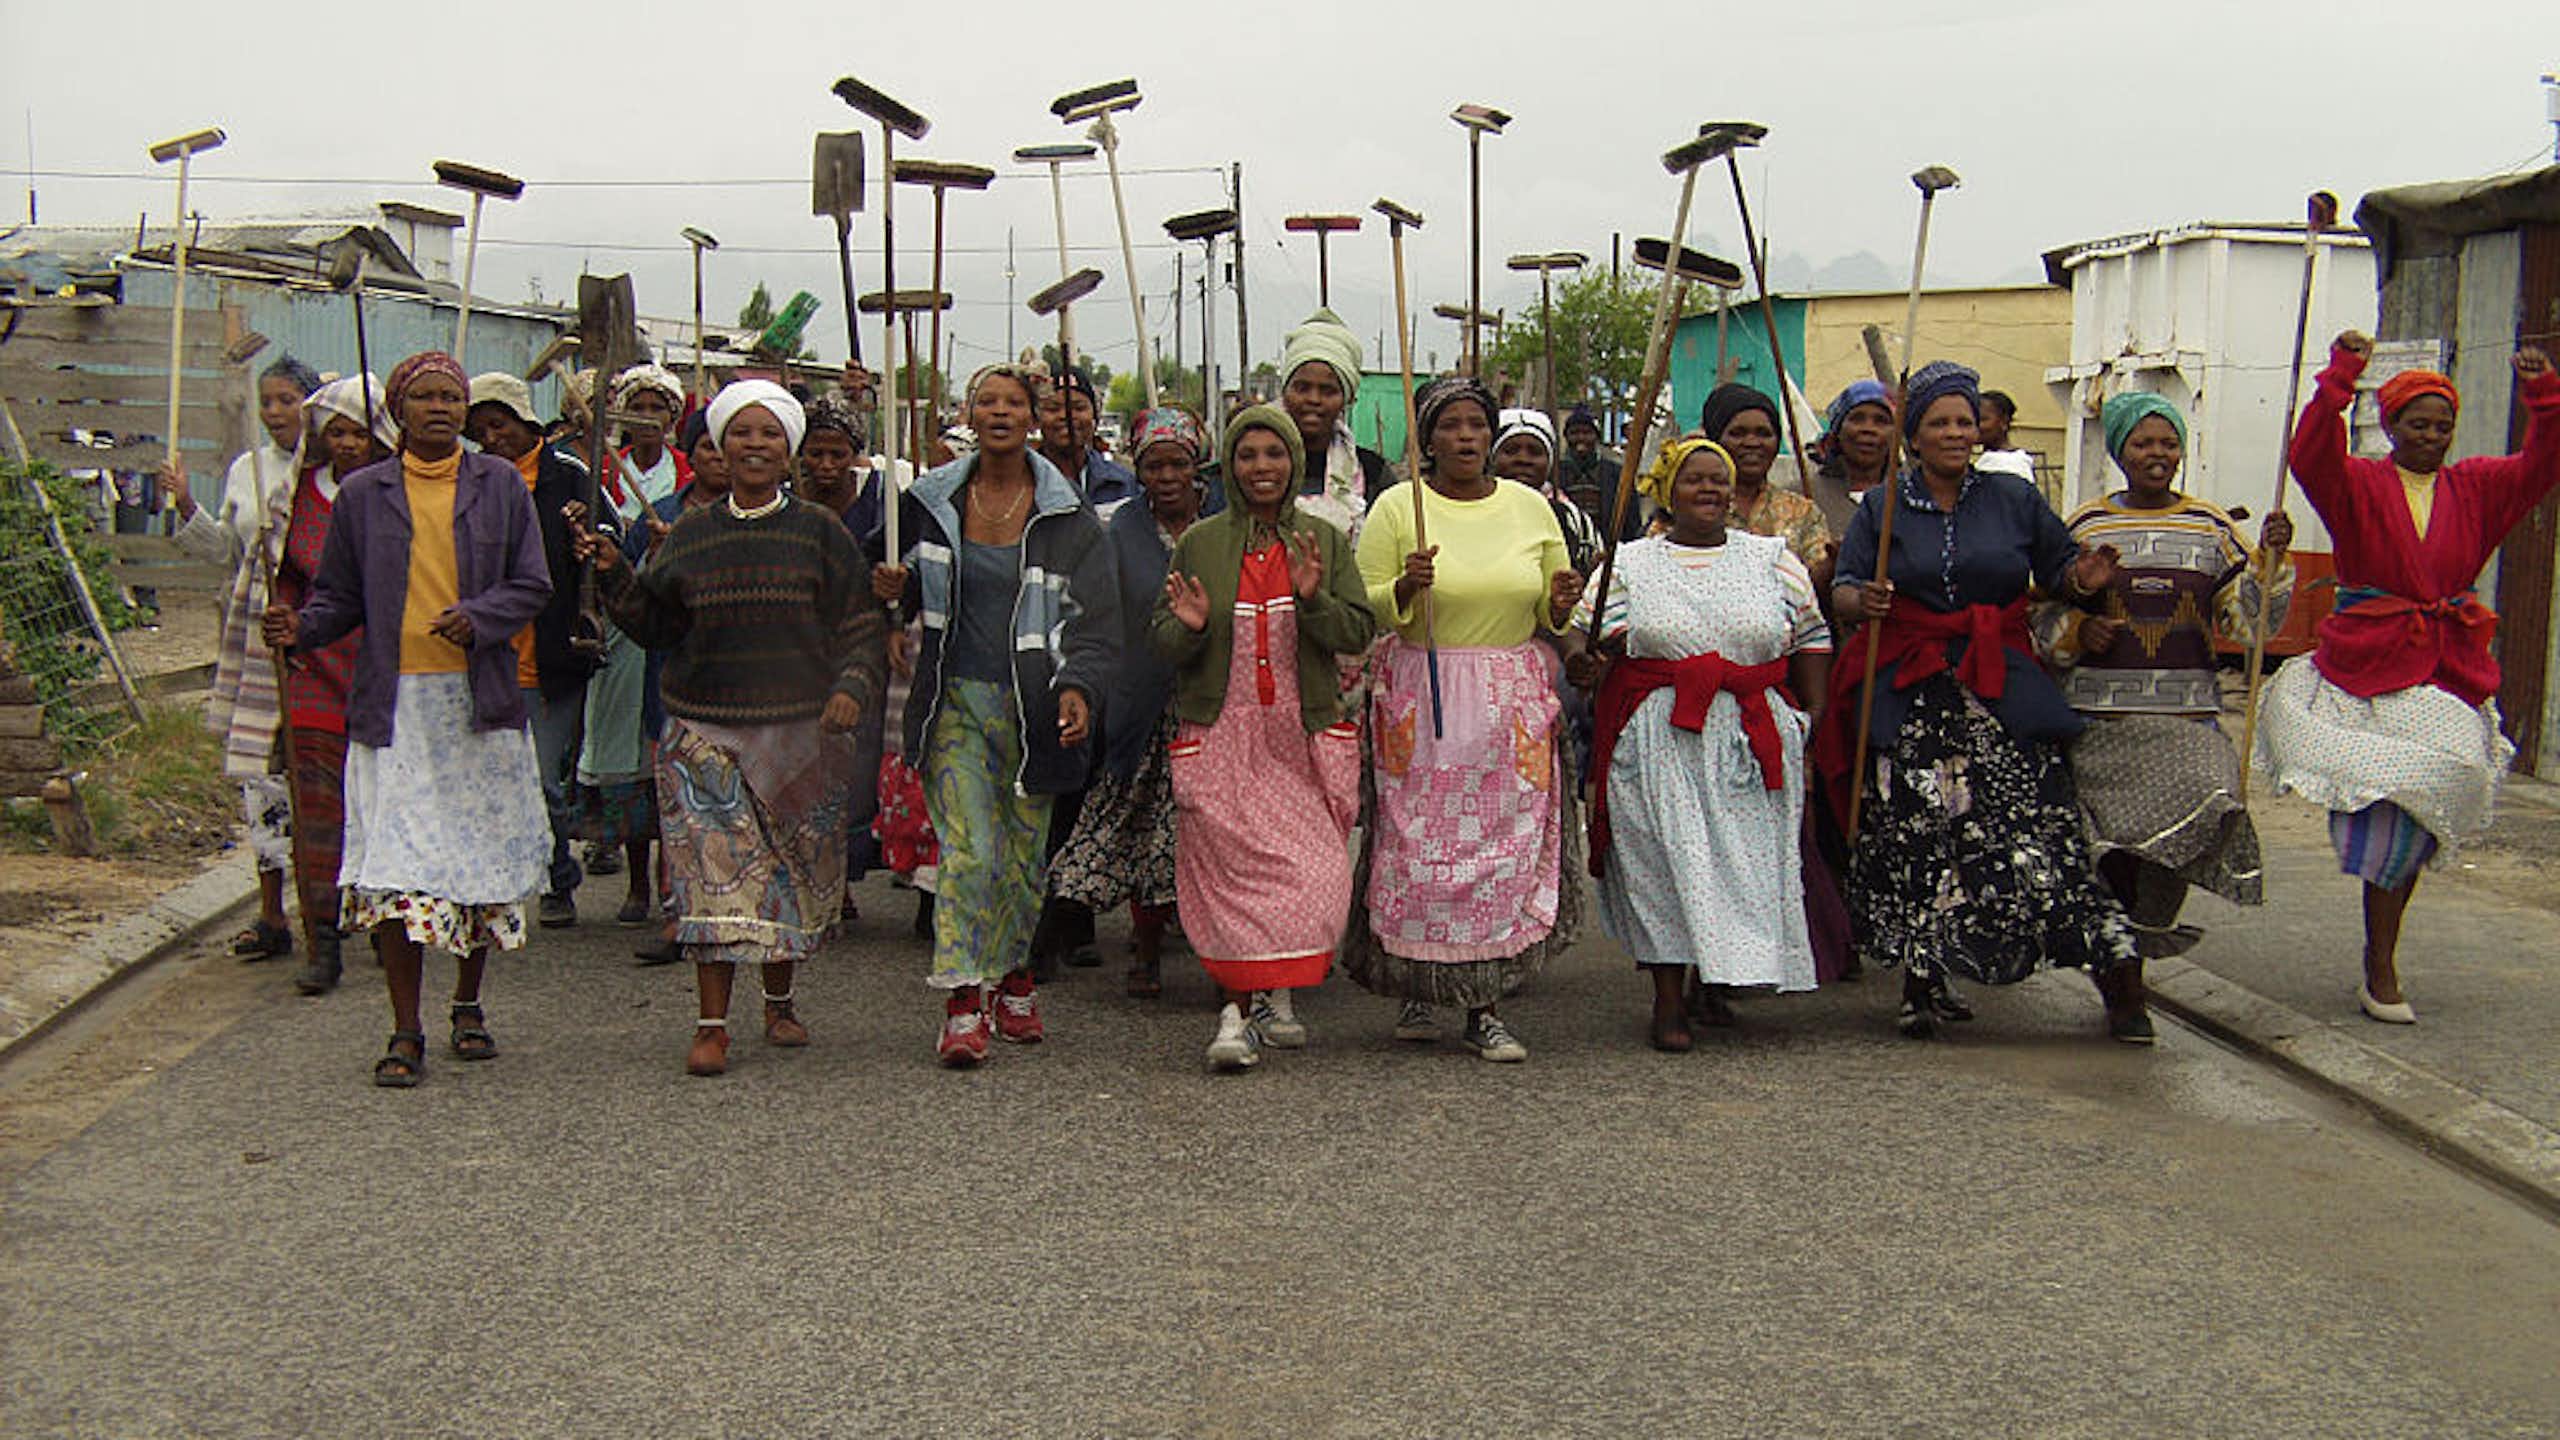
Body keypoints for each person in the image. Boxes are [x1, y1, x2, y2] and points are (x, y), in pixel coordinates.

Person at [1814, 360, 2139, 1040]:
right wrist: (1860, 599)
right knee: (1919, 831)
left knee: (2041, 828)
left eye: (1965, 420)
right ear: (1915, 434)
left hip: (2002, 685)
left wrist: (2085, 577)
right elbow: (1844, 585)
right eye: (1940, 423)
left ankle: (2118, 978)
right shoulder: (1884, 506)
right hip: (1914, 686)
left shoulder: (2014, 500)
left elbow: (2061, 570)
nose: (1957, 433)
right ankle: (1922, 979)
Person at [575, 379, 882, 1075]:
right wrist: (616, 573)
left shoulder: (821, 533)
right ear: (716, 444)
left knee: (790, 877)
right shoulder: (690, 535)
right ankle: (711, 1025)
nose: (753, 445)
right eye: (738, 433)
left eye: (769, 433)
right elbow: (657, 623)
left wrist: (851, 688)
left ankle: (780, 1004)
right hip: (704, 731)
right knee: (711, 881)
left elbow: (860, 624)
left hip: (798, 733)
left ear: (789, 449)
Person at [264, 352, 553, 1087]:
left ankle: (468, 1005)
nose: (440, 409)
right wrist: (299, 627)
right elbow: (338, 598)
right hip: (393, 711)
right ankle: (405, 1028)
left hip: (477, 706)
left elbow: (532, 584)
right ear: (398, 408)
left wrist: (481, 617)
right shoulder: (364, 495)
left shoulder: (499, 487)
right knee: (397, 870)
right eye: (423, 397)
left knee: (475, 866)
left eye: (450, 397)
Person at [2255, 332, 2560, 1023]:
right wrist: (2341, 377)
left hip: (2446, 665)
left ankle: (2381, 942)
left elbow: (2545, 461)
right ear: (2389, 427)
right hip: (2367, 662)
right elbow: (2311, 454)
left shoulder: (2478, 486)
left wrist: (2543, 396)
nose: (2430, 436)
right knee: (2387, 814)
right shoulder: (2359, 482)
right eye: (2416, 424)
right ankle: (2381, 960)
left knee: (2423, 810)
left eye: (2442, 425)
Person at [879, 363, 1119, 1068]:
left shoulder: (1067, 516)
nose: (1001, 412)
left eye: (1015, 402)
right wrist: (889, 597)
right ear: (969, 413)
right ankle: (962, 1000)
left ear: (1034, 418)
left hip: (1033, 707)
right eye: (987, 400)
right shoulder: (926, 501)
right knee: (970, 854)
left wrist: (1078, 687)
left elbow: (1097, 621)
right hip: (952, 702)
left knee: (1020, 860)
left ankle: (1013, 976)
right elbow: (889, 579)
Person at [1567, 437, 1833, 1051]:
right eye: (1694, 480)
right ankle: (1666, 1000)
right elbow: (1584, 631)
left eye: (1720, 479)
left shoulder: (1773, 558)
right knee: (1661, 862)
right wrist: (1582, 661)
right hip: (1660, 733)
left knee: (1740, 862)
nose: (1710, 489)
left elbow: (1812, 635)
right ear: (1667, 492)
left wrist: (1811, 713)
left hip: (1749, 731)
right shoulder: (1628, 562)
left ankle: (1718, 980)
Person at [1349, 375, 1584, 1062]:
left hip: (1507, 697)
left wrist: (1563, 605)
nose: (1465, 438)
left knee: (1499, 854)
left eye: (1476, 426)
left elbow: (1551, 610)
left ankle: (1486, 1003)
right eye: (1449, 425)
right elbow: (1361, 606)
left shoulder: (1531, 509)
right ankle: (1418, 982)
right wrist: (1402, 586)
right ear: (1428, 438)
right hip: (1425, 692)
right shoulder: (1399, 508)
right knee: (1419, 849)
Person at [2036, 392, 2293, 985]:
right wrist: (2080, 628)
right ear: (2120, 450)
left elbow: (2247, 624)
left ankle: (2136, 951)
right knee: (2111, 854)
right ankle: (2122, 980)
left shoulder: (2210, 526)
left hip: (2185, 721)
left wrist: (2267, 565)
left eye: (2169, 443)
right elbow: (2043, 613)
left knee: (2188, 830)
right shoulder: (2085, 524)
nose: (2157, 454)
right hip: (2099, 723)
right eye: (2143, 442)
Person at [1154, 405, 1375, 1069]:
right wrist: (1189, 627)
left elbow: (1357, 634)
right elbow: (1161, 640)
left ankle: (1276, 991)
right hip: (1220, 734)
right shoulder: (1199, 543)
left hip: (1299, 737)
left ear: (1293, 461)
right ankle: (1232, 1016)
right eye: (1246, 455)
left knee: (1314, 875)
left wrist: (1314, 601)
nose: (1261, 468)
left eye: (1273, 454)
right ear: (1228, 466)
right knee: (1229, 878)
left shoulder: (1326, 542)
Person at [167, 353, 322, 964]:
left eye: (288, 400)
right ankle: (270, 912)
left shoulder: (331, 472)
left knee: (314, 772)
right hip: (255, 638)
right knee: (261, 777)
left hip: (314, 636)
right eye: (269, 401)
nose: (275, 411)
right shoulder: (247, 471)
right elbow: (226, 555)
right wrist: (184, 506)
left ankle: (325, 912)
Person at [1048, 407, 1207, 999]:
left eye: (1179, 464)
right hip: (1143, 702)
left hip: (1209, 700)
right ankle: (1145, 951)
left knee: (1207, 833)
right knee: (1146, 825)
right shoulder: (1119, 532)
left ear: (1198, 466)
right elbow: (1098, 614)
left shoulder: (1221, 521)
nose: (1167, 476)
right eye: (1154, 465)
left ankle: (1221, 952)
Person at [465, 372, 598, 932]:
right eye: (480, 430)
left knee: (544, 776)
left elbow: (605, 543)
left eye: (499, 425)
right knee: (496, 777)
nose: (491, 439)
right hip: (488, 653)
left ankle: (558, 874)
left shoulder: (569, 476)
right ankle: (509, 875)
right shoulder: (470, 481)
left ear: (525, 422)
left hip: (550, 652)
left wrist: (589, 546)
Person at [576, 366, 691, 922]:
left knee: (663, 754)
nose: (647, 419)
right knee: (623, 752)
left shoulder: (688, 478)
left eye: (657, 408)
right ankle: (632, 872)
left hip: (669, 625)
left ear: (672, 418)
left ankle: (671, 883)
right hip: (618, 624)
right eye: (636, 407)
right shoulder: (601, 475)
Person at [1275, 307, 1390, 540]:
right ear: (1285, 391)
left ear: (1348, 398)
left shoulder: (1373, 473)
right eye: (1302, 388)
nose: (1313, 400)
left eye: (1328, 391)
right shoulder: (1253, 465)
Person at [1494, 408, 1606, 573]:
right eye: (1511, 451)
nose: (1523, 460)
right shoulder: (1469, 509)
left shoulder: (1573, 521)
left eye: (1535, 452)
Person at [1037, 365, 1137, 515]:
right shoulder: (1022, 482)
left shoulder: (1122, 483)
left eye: (1078, 408)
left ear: (1095, 416)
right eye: (1053, 409)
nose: (1066, 416)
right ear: (1036, 418)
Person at [1808, 379, 1895, 539]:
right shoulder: (1804, 496)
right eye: (1857, 419)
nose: (1868, 429)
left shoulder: (1911, 497)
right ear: (1837, 432)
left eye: (1881, 421)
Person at [1558, 405, 1636, 541]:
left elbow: (1632, 520)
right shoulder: (1555, 474)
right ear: (1566, 436)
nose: (1581, 438)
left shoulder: (1618, 474)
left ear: (1597, 436)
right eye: (1574, 433)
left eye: (1587, 433)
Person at [1974, 389, 2037, 482]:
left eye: (1983, 419)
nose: (1976, 425)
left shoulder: (2011, 464)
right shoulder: (1989, 459)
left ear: (2004, 422)